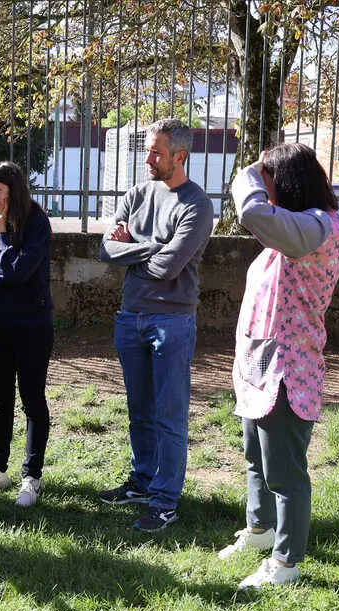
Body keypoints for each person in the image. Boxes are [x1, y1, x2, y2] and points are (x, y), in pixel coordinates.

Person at [217, 144, 339, 589]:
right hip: (261, 364)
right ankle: (260, 530)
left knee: (285, 473)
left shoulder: (317, 229)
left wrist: (247, 175)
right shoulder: (291, 233)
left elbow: (254, 214)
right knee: (257, 457)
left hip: (290, 368)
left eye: (269, 182)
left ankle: (286, 562)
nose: (264, 191)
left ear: (286, 183)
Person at [97, 118, 214, 533]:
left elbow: (168, 268)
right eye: (147, 150)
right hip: (131, 317)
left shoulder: (196, 205)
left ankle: (165, 500)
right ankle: (142, 481)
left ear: (179, 156)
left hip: (172, 321)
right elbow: (106, 249)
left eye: (157, 152)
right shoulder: (137, 193)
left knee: (169, 414)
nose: (148, 159)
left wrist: (134, 246)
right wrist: (146, 247)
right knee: (139, 410)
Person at [0, 162, 54, 508]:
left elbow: (18, 272)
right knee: (0, 397)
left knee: (32, 399)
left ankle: (32, 477)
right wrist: (1, 278)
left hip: (32, 325)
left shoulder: (36, 221)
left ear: (13, 191)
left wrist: (3, 235)